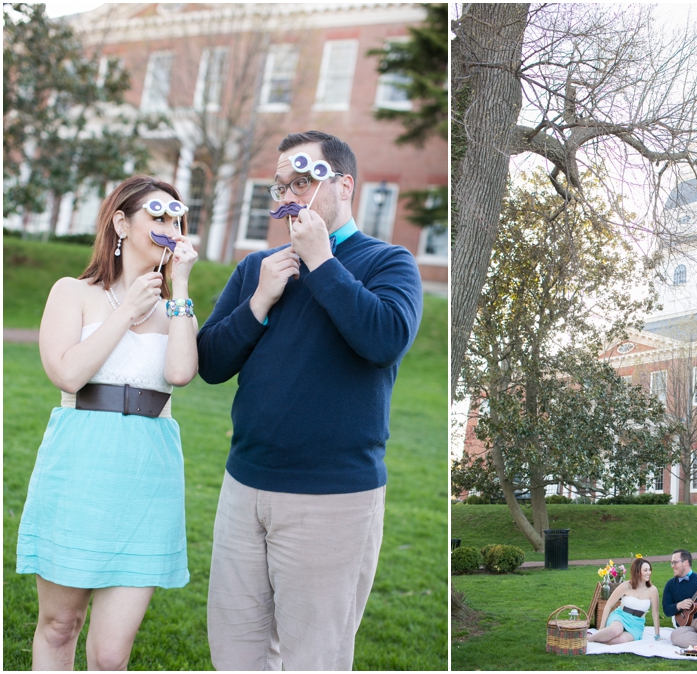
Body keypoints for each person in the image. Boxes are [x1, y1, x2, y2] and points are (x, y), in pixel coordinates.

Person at [197, 130, 423, 671]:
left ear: (344, 185)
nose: (290, 195)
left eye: (304, 180)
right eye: (282, 186)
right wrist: (258, 303)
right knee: (236, 652)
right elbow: (209, 362)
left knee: (312, 657)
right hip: (244, 485)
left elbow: (384, 339)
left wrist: (321, 261)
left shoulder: (388, 263)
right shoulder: (258, 267)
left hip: (332, 497)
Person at [16, 175, 199, 670]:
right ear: (121, 222)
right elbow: (68, 373)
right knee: (59, 626)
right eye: (156, 215)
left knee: (112, 654)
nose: (168, 226)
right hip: (79, 469)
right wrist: (126, 313)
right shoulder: (72, 292)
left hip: (147, 478)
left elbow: (181, 373)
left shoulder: (175, 309)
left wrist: (176, 288)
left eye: (174, 217)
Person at [589, 558, 661, 644]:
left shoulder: (653, 590)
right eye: (645, 570)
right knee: (615, 631)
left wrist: (657, 635)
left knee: (620, 640)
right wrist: (601, 627)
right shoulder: (626, 586)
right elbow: (609, 605)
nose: (649, 573)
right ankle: (589, 639)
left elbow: (655, 614)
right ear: (637, 572)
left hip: (636, 623)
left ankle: (600, 638)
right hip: (620, 616)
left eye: (649, 570)